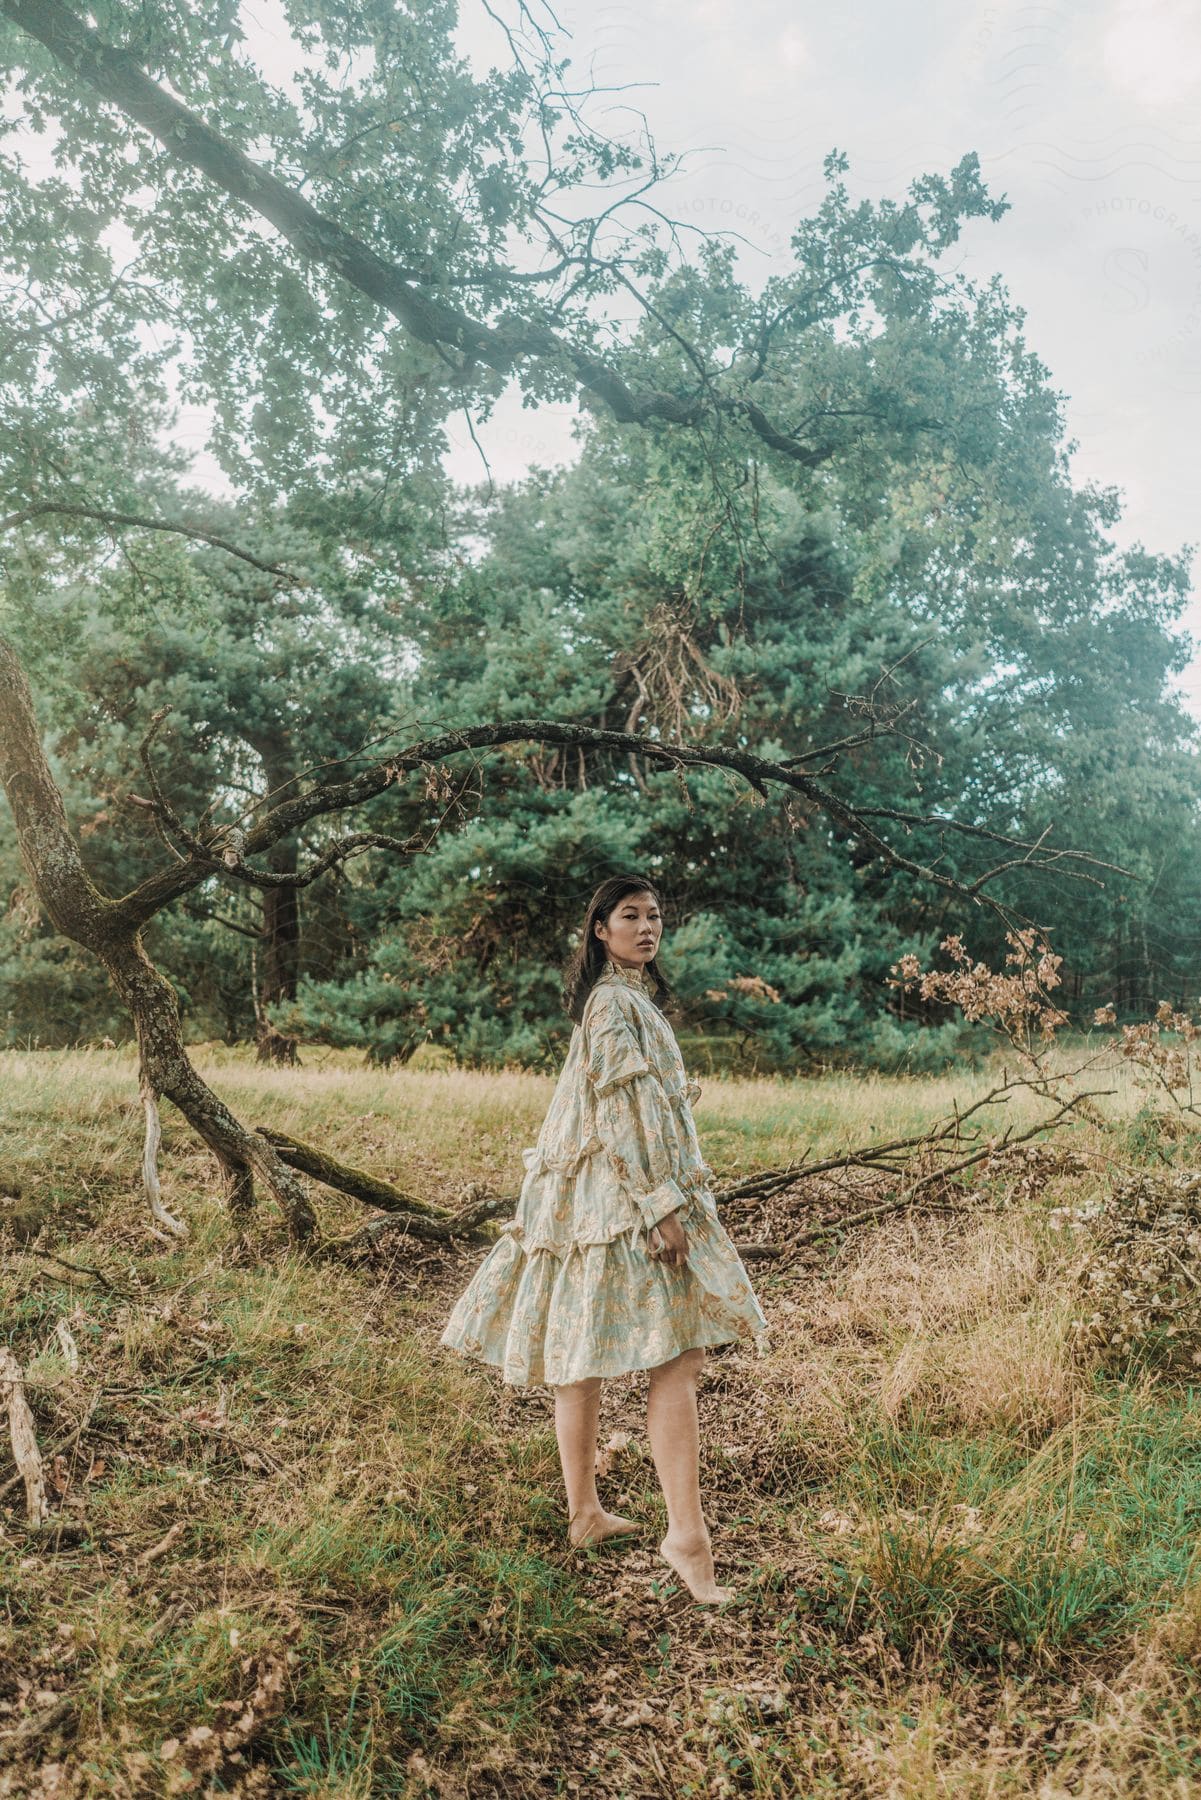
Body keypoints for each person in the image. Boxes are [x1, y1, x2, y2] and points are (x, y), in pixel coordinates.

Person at [439, 874, 770, 1605]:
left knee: (584, 1353)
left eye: (655, 915)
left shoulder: (622, 1001)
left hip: (596, 1196)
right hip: (619, 1200)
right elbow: (620, 1109)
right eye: (629, 916)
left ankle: (585, 1513)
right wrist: (659, 1206)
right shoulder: (612, 1004)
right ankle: (686, 1539)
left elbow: (632, 1103)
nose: (646, 927)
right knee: (676, 1356)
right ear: (599, 929)